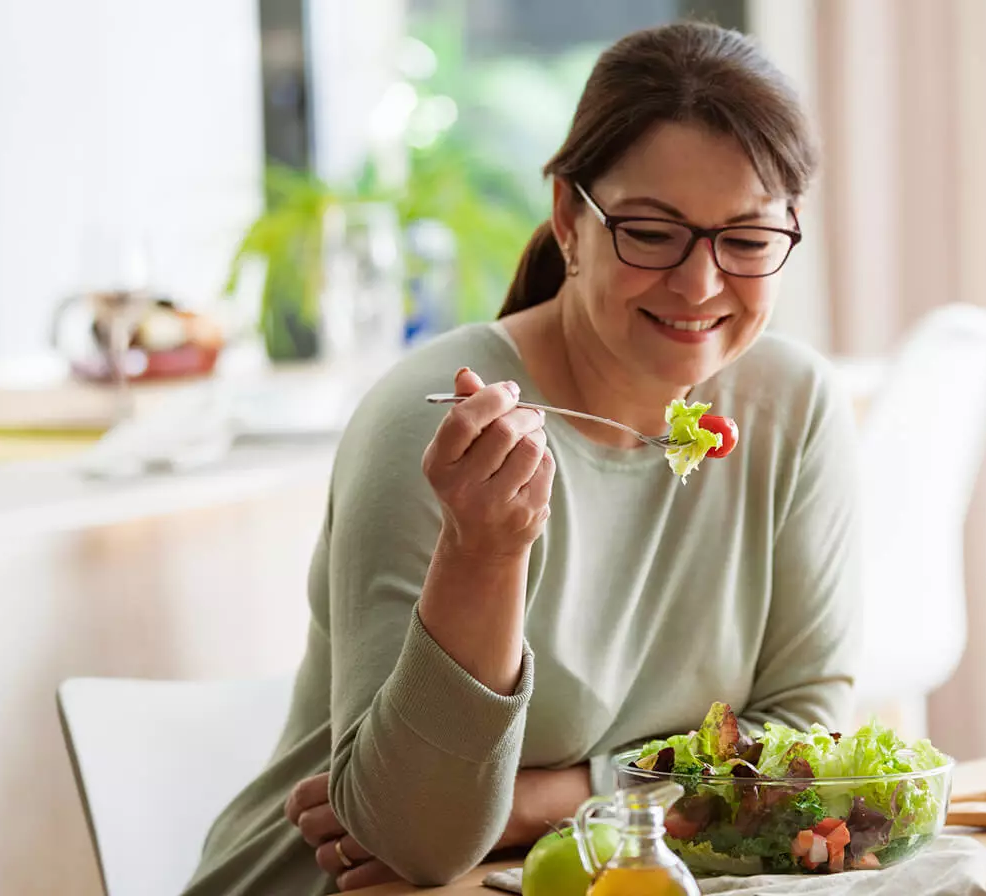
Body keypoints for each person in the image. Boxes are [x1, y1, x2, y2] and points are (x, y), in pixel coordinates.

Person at [182, 20, 860, 895]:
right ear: (570, 221)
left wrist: (551, 799)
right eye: (651, 233)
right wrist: (485, 552)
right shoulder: (443, 429)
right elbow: (417, 842)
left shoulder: (791, 407)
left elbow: (804, 737)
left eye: (746, 238)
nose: (699, 285)